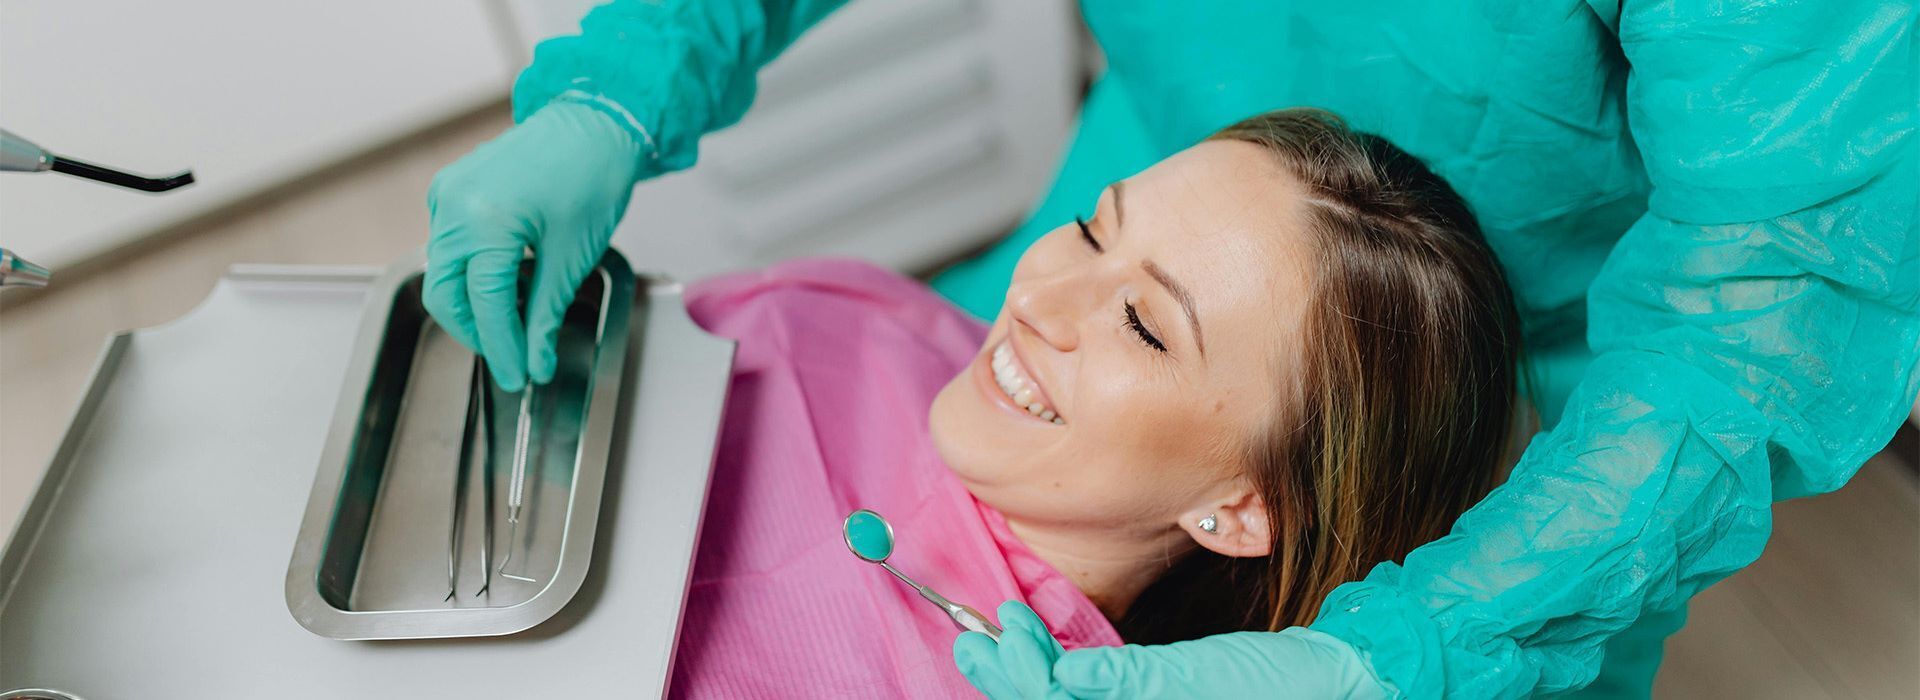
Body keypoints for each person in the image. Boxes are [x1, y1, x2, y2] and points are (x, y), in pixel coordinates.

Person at [423, 1, 1918, 696]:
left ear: (1240, 511)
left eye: (1122, 304)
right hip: (1188, 184)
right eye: (1088, 258)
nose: (1043, 304)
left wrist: (1400, 653)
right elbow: (1114, 281)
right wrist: (616, 92)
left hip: (1547, 410)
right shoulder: (901, 315)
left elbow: (1771, 310)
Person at [666, 109, 1518, 697]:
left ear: (1243, 507)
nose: (1040, 294)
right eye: (1091, 229)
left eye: (1144, 327)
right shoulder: (851, 311)